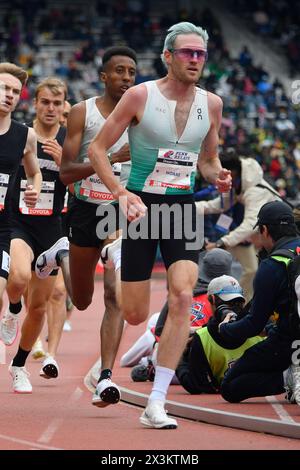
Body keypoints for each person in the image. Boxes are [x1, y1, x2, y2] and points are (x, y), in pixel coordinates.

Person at [88, 22, 232, 429]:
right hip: (141, 207)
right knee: (134, 314)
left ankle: (156, 401)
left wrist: (217, 175)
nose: (195, 60)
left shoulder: (213, 104)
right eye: (187, 52)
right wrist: (120, 192)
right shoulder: (139, 95)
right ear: (168, 56)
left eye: (200, 54)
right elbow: (99, 150)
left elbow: (207, 160)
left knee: (184, 294)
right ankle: (118, 252)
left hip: (181, 208)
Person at [35, 47, 138, 407]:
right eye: (120, 71)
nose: (127, 78)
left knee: (115, 295)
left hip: (120, 210)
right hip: (83, 209)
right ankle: (60, 253)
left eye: (132, 72)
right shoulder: (82, 113)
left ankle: (106, 378)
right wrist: (107, 159)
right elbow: (65, 174)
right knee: (81, 300)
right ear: (104, 76)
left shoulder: (140, 116)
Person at [2, 77, 67, 393]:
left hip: (51, 229)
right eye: (45, 102)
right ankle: (13, 309)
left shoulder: (69, 140)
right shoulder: (22, 137)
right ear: (35, 104)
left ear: (63, 106)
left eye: (57, 103)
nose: (51, 108)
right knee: (17, 279)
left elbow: (81, 185)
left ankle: (19, 367)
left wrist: (63, 162)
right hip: (19, 224)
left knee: (40, 306)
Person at [219, 201, 300, 406]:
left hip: (288, 342)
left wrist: (226, 329)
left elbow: (254, 324)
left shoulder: (271, 266)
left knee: (230, 385)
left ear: (264, 229)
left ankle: (289, 377)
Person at [122, 249, 234, 377]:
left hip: (178, 363)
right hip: (207, 364)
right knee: (156, 320)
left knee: (153, 330)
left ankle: (149, 362)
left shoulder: (185, 289)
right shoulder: (231, 298)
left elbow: (160, 330)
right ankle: (150, 362)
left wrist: (183, 331)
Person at [197, 148, 282, 301]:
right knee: (249, 270)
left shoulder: (253, 191)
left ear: (232, 173)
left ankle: (240, 300)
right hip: (242, 234)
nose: (220, 181)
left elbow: (249, 222)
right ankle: (239, 301)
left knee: (260, 271)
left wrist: (221, 241)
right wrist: (190, 206)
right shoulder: (234, 183)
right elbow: (221, 206)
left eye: (223, 176)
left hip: (273, 233)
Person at [0, 62, 41, 339]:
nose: (9, 94)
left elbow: (35, 172)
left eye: (15, 91)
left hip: (2, 226)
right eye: (4, 87)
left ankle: (13, 309)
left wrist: (34, 189)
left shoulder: (25, 135)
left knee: (14, 282)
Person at [176, 275, 263, 394]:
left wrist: (179, 359)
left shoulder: (202, 337)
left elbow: (194, 385)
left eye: (236, 302)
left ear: (211, 299)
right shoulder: (260, 330)